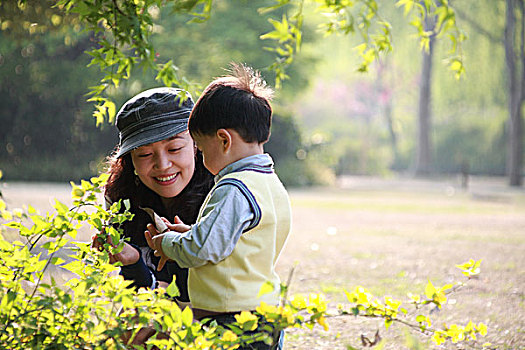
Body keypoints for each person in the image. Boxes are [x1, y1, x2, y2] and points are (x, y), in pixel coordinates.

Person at [145, 64, 291, 349]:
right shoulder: (270, 184)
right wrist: (192, 232)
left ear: (223, 140)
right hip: (265, 314)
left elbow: (203, 249)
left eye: (199, 147)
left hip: (231, 322)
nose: (199, 156)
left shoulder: (234, 188)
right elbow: (240, 244)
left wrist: (169, 243)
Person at [95, 87, 214, 305]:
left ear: (196, 144)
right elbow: (142, 295)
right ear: (130, 158)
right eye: (145, 154)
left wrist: (187, 246)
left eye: (175, 148)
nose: (163, 165)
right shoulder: (121, 196)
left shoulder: (223, 189)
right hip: (163, 306)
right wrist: (132, 261)